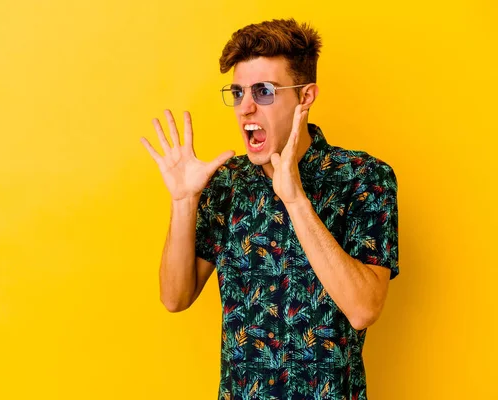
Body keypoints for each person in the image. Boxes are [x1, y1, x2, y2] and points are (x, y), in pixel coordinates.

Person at [141, 18, 398, 400]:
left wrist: (295, 200)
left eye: (263, 92)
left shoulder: (364, 178)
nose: (245, 108)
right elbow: (175, 297)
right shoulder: (225, 183)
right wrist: (183, 202)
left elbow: (363, 309)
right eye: (238, 92)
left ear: (305, 96)